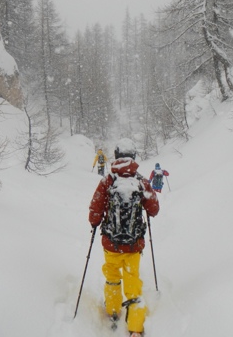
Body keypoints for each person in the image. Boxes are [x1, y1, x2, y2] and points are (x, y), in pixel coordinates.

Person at [89, 139, 159, 337]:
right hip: (134, 245)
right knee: (133, 282)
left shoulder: (108, 181)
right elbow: (154, 209)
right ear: (134, 157)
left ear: (117, 156)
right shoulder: (141, 181)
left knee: (112, 277)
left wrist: (95, 223)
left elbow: (95, 209)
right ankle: (135, 327)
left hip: (111, 243)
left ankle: (112, 312)